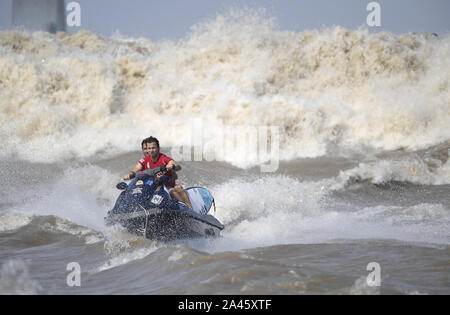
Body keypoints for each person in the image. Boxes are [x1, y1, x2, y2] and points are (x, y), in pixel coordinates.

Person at [123, 136, 193, 209]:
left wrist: (172, 166)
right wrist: (130, 174)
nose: (151, 150)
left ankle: (188, 208)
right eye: (149, 148)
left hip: (167, 187)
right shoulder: (144, 160)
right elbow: (136, 169)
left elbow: (176, 165)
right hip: (151, 188)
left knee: (176, 189)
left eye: (153, 148)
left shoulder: (163, 158)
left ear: (158, 148)